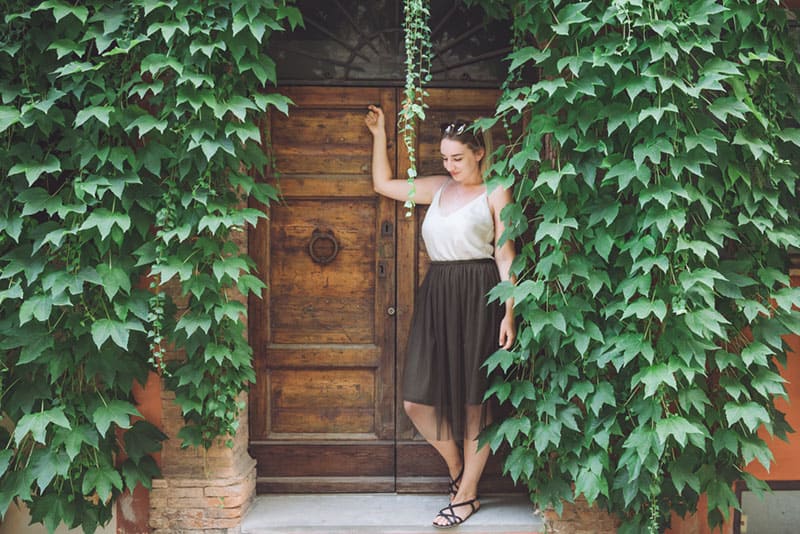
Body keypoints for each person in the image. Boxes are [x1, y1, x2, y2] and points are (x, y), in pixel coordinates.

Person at [364, 105, 516, 528]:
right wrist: (380, 134)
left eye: (458, 158)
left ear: (479, 153)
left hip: (479, 295)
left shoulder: (496, 191)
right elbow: (382, 184)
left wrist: (509, 312)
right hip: (438, 294)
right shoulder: (437, 188)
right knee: (416, 400)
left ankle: (466, 497)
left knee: (474, 404)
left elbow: (505, 255)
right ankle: (458, 473)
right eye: (445, 158)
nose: (450, 166)